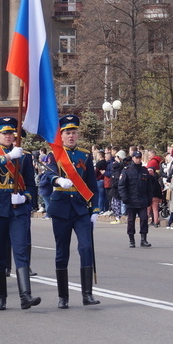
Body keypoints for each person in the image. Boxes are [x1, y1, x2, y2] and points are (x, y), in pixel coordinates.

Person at [0, 117, 40, 311]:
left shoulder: (24, 156)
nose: (8, 136)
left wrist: (25, 198)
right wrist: (8, 157)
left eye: (10, 133)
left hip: (17, 209)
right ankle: (1, 297)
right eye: (4, 133)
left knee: (21, 251)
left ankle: (25, 296)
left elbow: (31, 184)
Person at [42, 116, 100, 308]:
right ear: (61, 135)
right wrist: (57, 180)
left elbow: (92, 184)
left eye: (74, 132)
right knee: (62, 252)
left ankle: (87, 294)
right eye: (67, 132)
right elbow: (48, 174)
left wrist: (95, 208)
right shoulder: (54, 154)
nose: (71, 136)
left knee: (86, 248)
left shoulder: (84, 155)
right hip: (61, 208)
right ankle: (63, 296)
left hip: (81, 209)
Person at [118, 151, 153, 247]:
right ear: (133, 158)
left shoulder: (144, 171)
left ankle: (143, 239)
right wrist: (124, 198)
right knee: (131, 220)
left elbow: (149, 187)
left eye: (139, 157)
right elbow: (121, 186)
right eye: (136, 157)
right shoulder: (127, 170)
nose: (138, 159)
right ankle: (131, 239)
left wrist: (149, 199)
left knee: (144, 219)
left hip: (142, 200)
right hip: (131, 200)